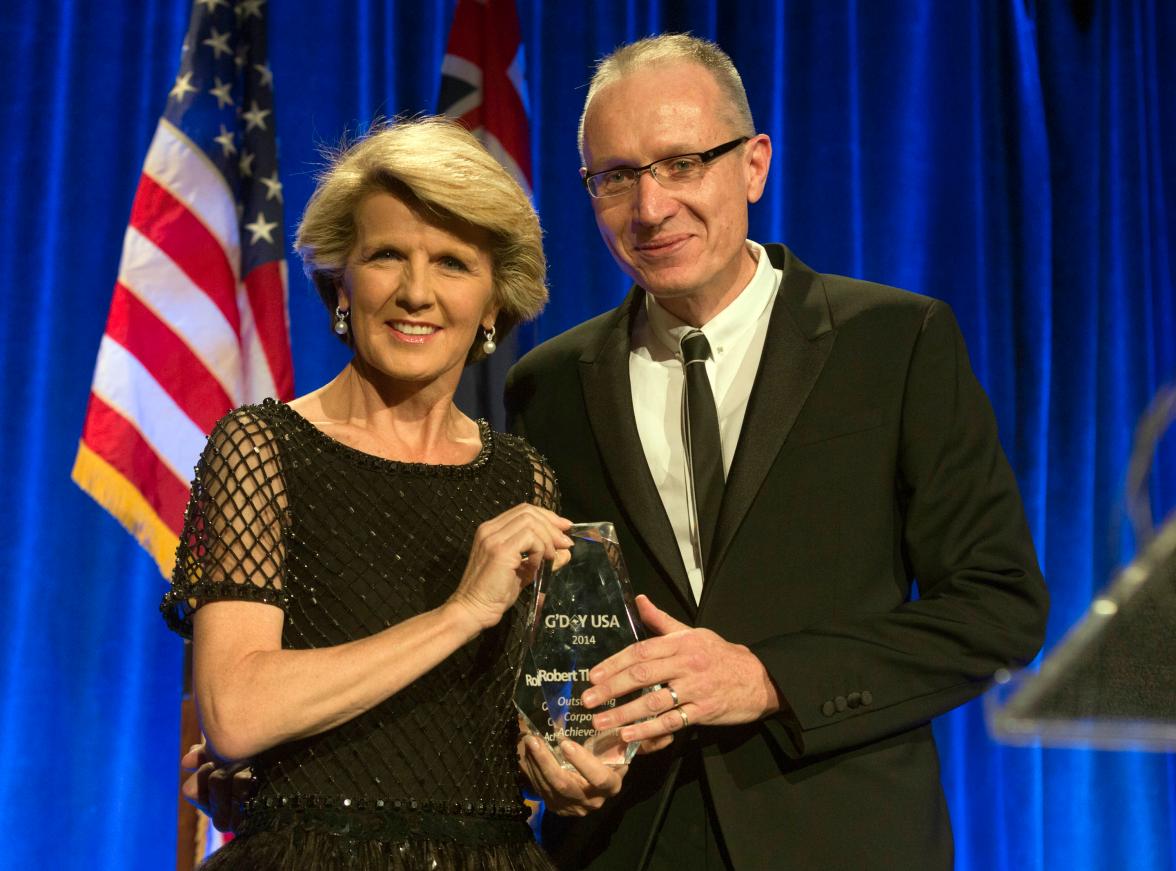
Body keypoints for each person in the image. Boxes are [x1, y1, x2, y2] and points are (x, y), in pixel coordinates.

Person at [505, 34, 1050, 870]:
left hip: (840, 836)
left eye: (683, 162)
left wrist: (768, 678)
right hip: (622, 844)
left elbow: (997, 606)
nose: (650, 208)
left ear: (753, 164)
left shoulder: (896, 342)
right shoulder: (546, 386)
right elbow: (536, 637)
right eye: (615, 177)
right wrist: (544, 754)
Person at [162, 116, 623, 869]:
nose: (416, 292)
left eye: (451, 262)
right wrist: (460, 613)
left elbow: (520, 718)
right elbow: (236, 714)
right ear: (341, 280)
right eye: (386, 256)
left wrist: (579, 762)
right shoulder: (261, 448)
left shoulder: (522, 476)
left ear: (495, 303)